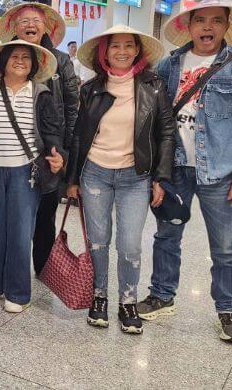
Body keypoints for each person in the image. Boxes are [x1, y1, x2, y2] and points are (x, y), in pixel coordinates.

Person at [138, 0, 232, 343]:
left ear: (226, 26)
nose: (207, 27)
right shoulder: (169, 64)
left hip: (220, 171)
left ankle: (228, 310)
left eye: (216, 21)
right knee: (166, 236)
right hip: (174, 168)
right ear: (188, 26)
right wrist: (156, 172)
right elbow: (154, 118)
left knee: (226, 247)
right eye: (200, 20)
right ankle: (162, 295)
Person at [66, 25, 174, 334]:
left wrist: (160, 177)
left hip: (135, 177)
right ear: (104, 52)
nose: (122, 51)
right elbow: (78, 136)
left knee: (129, 245)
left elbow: (166, 133)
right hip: (95, 174)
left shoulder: (153, 85)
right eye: (115, 46)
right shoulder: (90, 89)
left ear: (138, 50)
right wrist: (72, 179)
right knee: (98, 241)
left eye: (129, 45)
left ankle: (128, 300)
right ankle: (99, 295)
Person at [0, 41, 65, 313]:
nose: (20, 61)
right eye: (14, 56)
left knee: (20, 232)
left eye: (26, 57)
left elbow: (52, 132)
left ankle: (18, 293)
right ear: (2, 61)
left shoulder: (40, 93)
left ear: (34, 64)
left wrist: (58, 156)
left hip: (25, 172)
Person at [0, 2, 79, 276]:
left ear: (46, 27)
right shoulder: (3, 59)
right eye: (24, 21)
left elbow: (72, 108)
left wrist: (65, 154)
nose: (30, 25)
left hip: (49, 151)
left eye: (36, 20)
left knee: (45, 215)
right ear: (14, 28)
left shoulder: (61, 61)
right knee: (11, 216)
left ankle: (42, 269)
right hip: (11, 152)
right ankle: (9, 270)